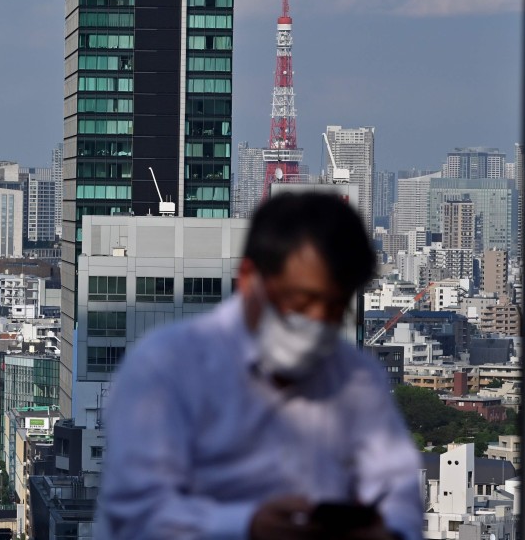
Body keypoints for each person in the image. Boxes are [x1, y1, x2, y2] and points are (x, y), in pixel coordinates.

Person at [94, 192, 423, 540]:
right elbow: (136, 514)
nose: (318, 320)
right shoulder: (167, 366)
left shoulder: (357, 378)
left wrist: (385, 531)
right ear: (249, 278)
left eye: (336, 307)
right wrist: (246, 524)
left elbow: (398, 492)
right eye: (301, 300)